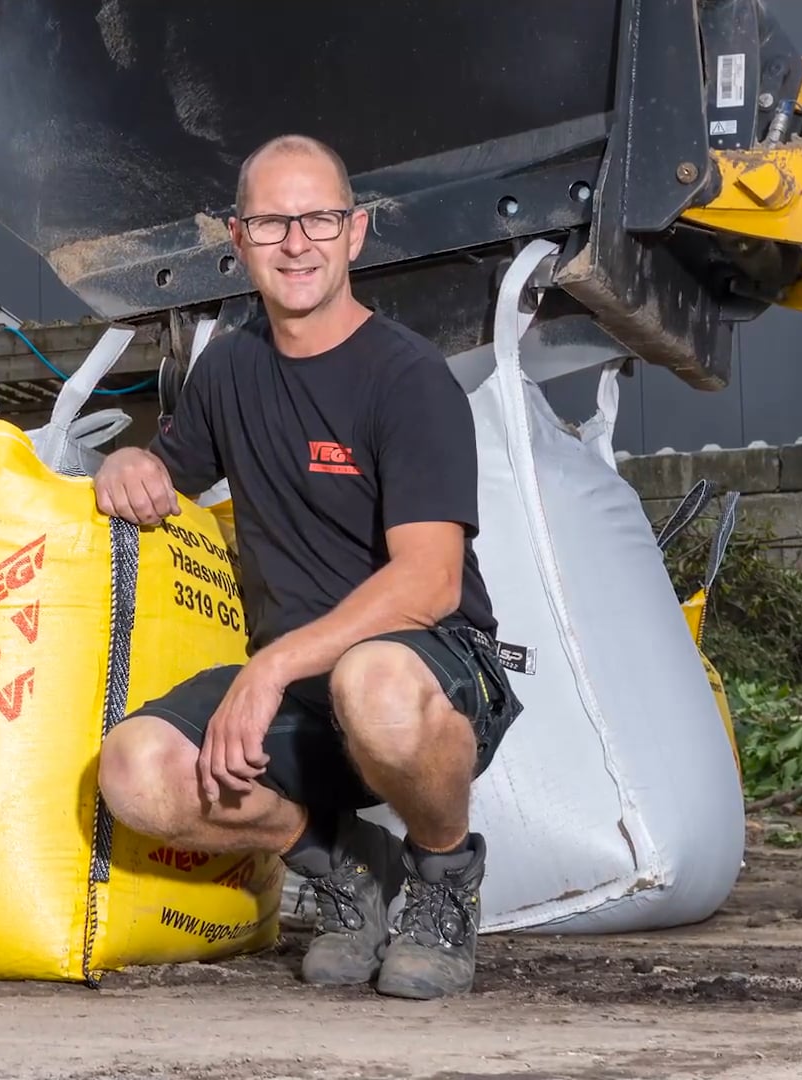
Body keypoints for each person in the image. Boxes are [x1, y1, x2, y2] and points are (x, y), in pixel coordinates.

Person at [91, 134, 522, 1001]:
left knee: (374, 683)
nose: (298, 242)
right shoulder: (229, 370)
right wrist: (124, 466)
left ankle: (442, 880)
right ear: (239, 237)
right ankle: (340, 867)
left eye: (319, 218)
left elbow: (431, 581)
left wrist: (272, 664)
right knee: (133, 771)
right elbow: (166, 472)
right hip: (301, 694)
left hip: (430, 671)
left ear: (355, 233)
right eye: (273, 221)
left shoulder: (408, 377)